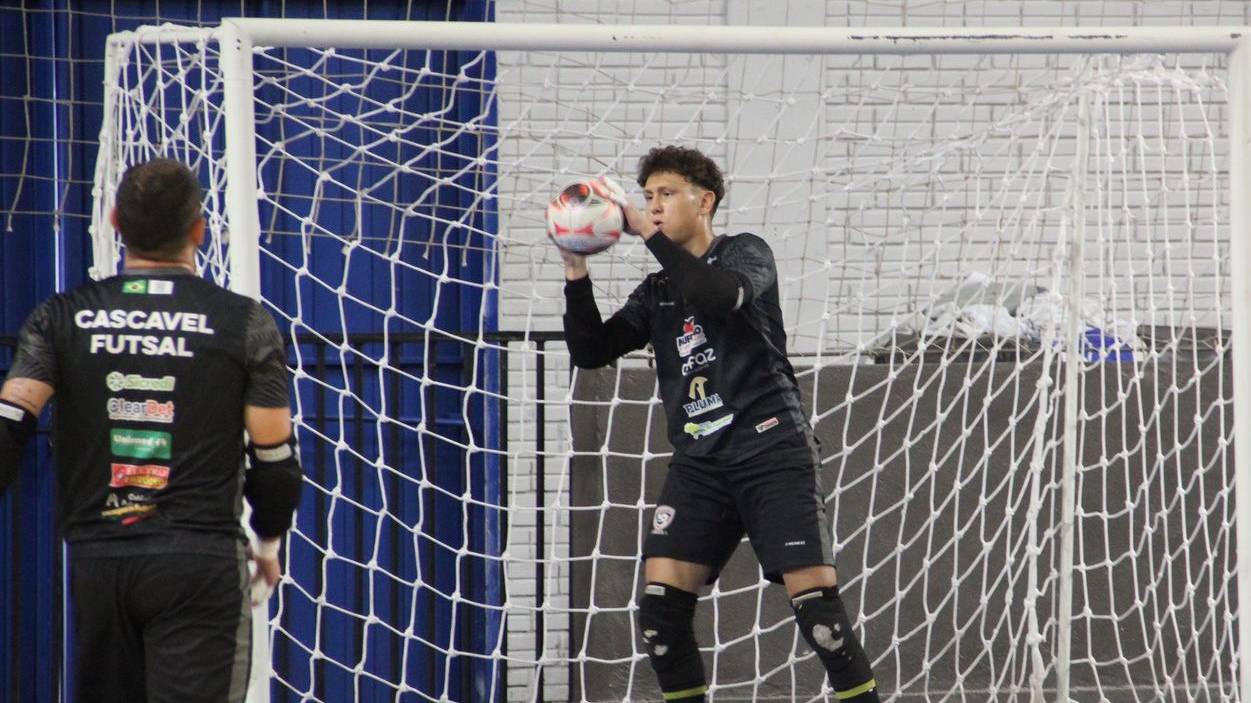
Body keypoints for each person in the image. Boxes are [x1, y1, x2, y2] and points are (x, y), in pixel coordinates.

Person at [561, 146, 879, 702]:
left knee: (819, 614)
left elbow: (716, 294)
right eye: (648, 196)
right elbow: (591, 350)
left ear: (703, 201)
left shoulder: (745, 254)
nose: (652, 206)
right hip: (700, 464)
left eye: (666, 194)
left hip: (771, 451)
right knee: (659, 614)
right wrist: (575, 267)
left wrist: (650, 238)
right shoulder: (656, 292)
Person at [0, 158, 303, 702]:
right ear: (199, 230)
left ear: (113, 222)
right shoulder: (243, 322)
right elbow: (275, 457)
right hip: (200, 562)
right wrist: (268, 540)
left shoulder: (60, 317)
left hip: (100, 559)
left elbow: (11, 424)